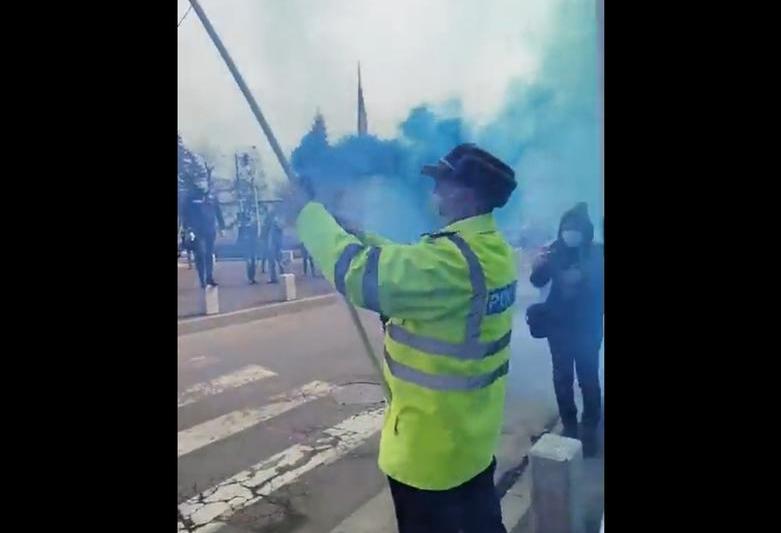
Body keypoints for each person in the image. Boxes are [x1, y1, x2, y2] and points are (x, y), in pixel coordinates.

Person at [287, 143, 518, 533]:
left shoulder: (451, 260)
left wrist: (309, 215)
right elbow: (411, 267)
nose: (435, 192)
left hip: (430, 460)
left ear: (466, 192)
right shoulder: (491, 250)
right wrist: (358, 232)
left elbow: (361, 276)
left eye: (441, 183)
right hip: (471, 445)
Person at [530, 202, 604, 456]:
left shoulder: (596, 253)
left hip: (588, 327)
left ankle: (590, 427)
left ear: (586, 231)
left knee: (588, 378)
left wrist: (582, 278)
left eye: (575, 228)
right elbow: (537, 281)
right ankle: (570, 425)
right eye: (566, 228)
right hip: (558, 327)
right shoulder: (553, 251)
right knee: (562, 378)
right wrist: (537, 265)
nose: (569, 233)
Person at [182, 180, 225, 288]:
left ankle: (209, 277)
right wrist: (187, 228)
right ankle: (202, 278)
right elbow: (185, 213)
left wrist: (222, 226)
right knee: (200, 254)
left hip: (210, 229)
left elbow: (218, 212)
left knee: (209, 254)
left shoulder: (211, 197)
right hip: (197, 230)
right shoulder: (191, 197)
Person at [236, 209, 260, 284]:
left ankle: (252, 277)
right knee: (249, 262)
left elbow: (256, 235)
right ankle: (250, 278)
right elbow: (240, 237)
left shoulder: (253, 225)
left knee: (253, 262)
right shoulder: (243, 226)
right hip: (247, 246)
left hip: (252, 245)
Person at [265, 209, 285, 283]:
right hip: (272, 244)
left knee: (279, 261)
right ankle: (273, 277)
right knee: (272, 262)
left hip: (276, 245)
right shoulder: (271, 223)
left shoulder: (278, 221)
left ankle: (283, 276)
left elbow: (281, 229)